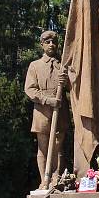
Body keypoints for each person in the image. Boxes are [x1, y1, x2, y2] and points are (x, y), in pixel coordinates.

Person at [25, 31, 69, 189]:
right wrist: (48, 101)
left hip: (60, 111)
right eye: (48, 42)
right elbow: (30, 90)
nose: (51, 45)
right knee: (43, 147)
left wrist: (67, 81)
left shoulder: (62, 66)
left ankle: (56, 179)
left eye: (54, 42)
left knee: (58, 145)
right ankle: (44, 180)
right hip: (42, 111)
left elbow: (72, 87)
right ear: (42, 44)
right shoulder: (35, 66)